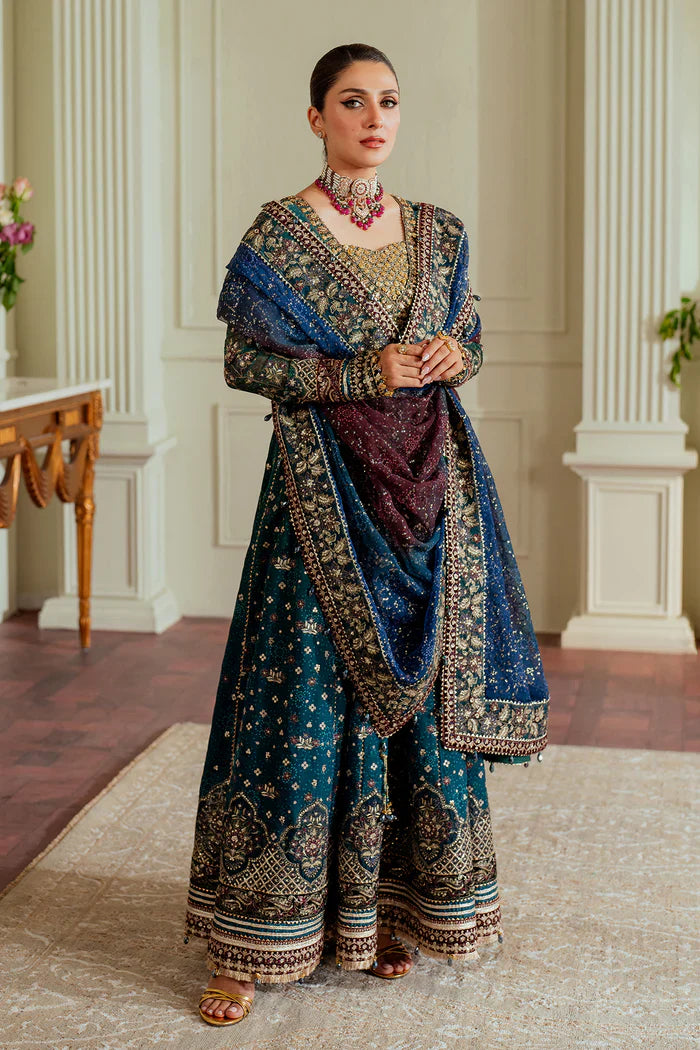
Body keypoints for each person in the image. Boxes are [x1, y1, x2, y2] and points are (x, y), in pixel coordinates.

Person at [184, 42, 549, 1027]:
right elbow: (247, 364)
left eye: (387, 100)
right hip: (321, 496)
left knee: (415, 707)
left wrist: (452, 354)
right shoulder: (281, 237)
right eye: (352, 102)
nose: (374, 117)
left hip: (430, 492)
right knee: (301, 696)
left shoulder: (439, 231)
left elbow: (469, 336)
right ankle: (251, 941)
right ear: (317, 118)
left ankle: (387, 912)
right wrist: (362, 374)